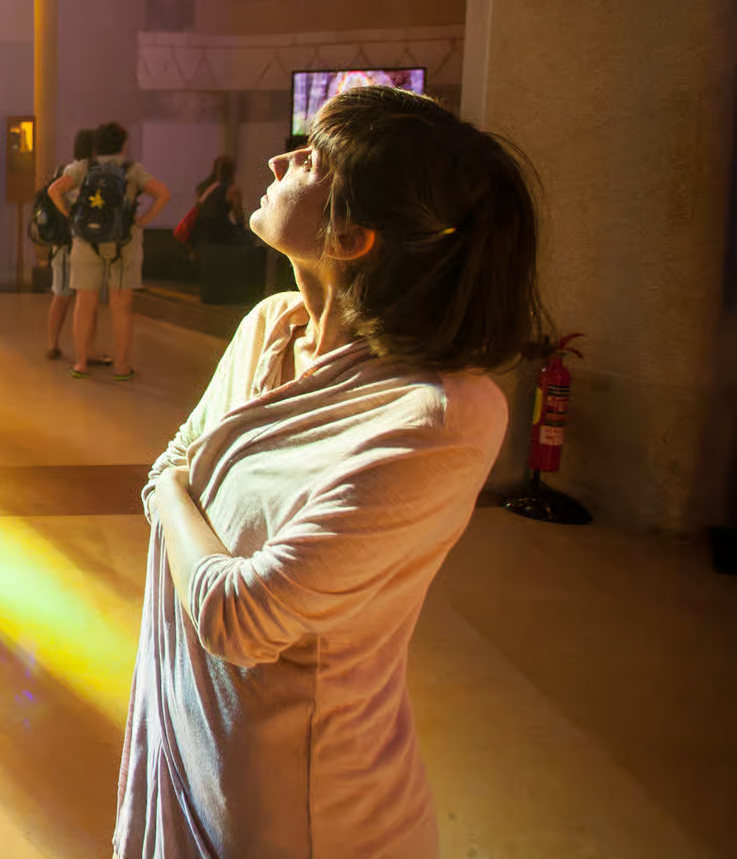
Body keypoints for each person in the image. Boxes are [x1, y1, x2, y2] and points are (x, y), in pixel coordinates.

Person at [115, 86, 541, 858]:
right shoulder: (268, 325)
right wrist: (170, 485)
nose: (280, 158)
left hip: (303, 805)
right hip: (192, 738)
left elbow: (239, 616)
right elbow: (173, 480)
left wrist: (171, 489)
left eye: (311, 156)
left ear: (350, 238)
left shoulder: (436, 415)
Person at [46, 121, 171, 379]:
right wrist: (143, 220)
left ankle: (81, 363)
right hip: (123, 244)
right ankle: (122, 366)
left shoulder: (82, 168)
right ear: (123, 144)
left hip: (86, 242)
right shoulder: (132, 170)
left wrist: (70, 215)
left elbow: (54, 190)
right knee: (121, 305)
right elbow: (163, 193)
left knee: (85, 301)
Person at [45, 128, 99, 360]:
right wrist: (69, 215)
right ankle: (85, 350)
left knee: (63, 295)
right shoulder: (81, 170)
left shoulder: (71, 168)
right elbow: (54, 190)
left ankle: (54, 344)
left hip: (66, 244)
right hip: (76, 242)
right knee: (85, 298)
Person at [191, 154, 246, 247]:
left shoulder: (203, 187)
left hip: (199, 232)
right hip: (218, 232)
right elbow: (238, 214)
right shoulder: (232, 189)